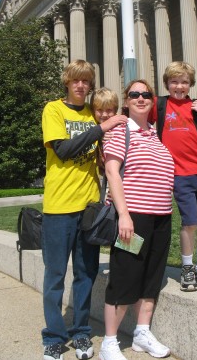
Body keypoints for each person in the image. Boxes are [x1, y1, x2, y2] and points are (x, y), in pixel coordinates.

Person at [41, 60, 127, 360]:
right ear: (67, 81)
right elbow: (63, 150)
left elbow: (104, 155)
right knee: (54, 275)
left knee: (86, 274)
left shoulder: (94, 113)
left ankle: (80, 333)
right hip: (58, 207)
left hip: (90, 207)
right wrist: (102, 127)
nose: (81, 86)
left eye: (86, 81)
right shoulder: (53, 110)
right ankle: (53, 337)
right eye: (76, 80)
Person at [99, 80, 175, 360]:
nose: (141, 98)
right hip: (133, 219)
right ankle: (109, 342)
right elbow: (112, 174)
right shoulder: (121, 132)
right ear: (127, 101)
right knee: (125, 277)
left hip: (161, 218)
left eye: (146, 94)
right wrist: (123, 215)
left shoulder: (155, 134)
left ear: (152, 100)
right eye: (135, 94)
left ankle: (142, 333)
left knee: (151, 278)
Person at [149, 61, 197, 292]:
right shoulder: (159, 105)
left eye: (184, 82)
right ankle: (187, 266)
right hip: (179, 174)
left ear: (190, 84)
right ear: (167, 83)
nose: (179, 86)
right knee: (189, 222)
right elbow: (138, 113)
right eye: (174, 81)